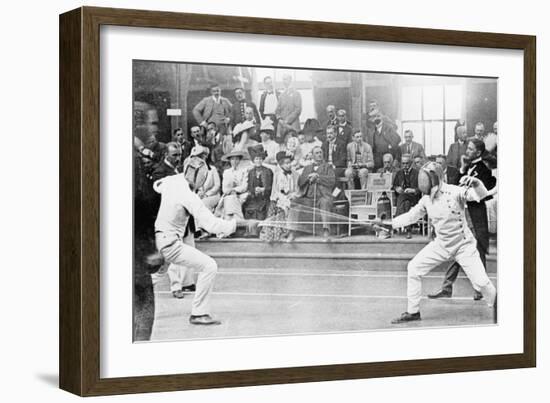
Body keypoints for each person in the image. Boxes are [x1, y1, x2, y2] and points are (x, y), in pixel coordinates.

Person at [378, 162, 497, 324]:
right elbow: (411, 216)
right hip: (441, 244)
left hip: (463, 245)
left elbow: (480, 196)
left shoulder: (455, 191)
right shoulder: (426, 199)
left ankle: (498, 305)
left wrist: (477, 184)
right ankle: (413, 312)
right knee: (413, 268)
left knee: (482, 282)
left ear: (434, 178)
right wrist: (389, 224)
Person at [154, 172, 258, 325]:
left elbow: (157, 185)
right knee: (209, 266)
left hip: (159, 239)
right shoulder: (189, 196)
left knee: (153, 276)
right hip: (170, 244)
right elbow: (212, 225)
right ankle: (199, 313)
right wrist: (241, 224)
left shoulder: (171, 181)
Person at [428, 139, 496, 300]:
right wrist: (463, 168)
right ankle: (447, 288)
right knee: (457, 250)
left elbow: (482, 193)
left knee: (477, 251)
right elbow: (457, 187)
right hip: (462, 214)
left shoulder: (484, 170)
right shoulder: (468, 167)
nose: (467, 151)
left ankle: (480, 290)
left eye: (471, 149)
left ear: (478, 152)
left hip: (474, 215)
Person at [287, 146, 336, 242]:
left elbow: (332, 181)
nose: (319, 154)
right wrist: (309, 178)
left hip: (322, 197)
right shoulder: (307, 167)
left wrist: (318, 177)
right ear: (312, 155)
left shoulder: (328, 167)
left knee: (325, 203)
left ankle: (326, 232)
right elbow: (300, 182)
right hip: (308, 198)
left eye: (320, 152)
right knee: (295, 202)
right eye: (317, 153)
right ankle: (292, 232)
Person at [260, 151, 300, 243]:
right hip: (280, 198)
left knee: (291, 206)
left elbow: (298, 189)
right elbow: (276, 190)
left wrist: (293, 194)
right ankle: (277, 234)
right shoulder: (278, 175)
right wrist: (281, 198)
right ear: (281, 164)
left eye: (290, 163)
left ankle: (290, 232)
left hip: (291, 197)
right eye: (286, 163)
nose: (289, 165)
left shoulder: (295, 174)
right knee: (278, 208)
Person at [243, 145, 274, 231]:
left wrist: (263, 190)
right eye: (256, 159)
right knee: (249, 207)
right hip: (254, 198)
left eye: (260, 159)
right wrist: (254, 190)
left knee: (261, 209)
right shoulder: (251, 172)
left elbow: (272, 187)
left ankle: (261, 231)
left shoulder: (268, 171)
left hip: (265, 198)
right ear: (253, 160)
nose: (258, 161)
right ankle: (251, 231)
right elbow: (249, 187)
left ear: (263, 159)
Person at [215, 149, 250, 221]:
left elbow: (244, 186)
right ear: (230, 160)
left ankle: (237, 221)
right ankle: (230, 222)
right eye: (232, 159)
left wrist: (234, 190)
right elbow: (224, 188)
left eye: (237, 159)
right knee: (230, 199)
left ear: (239, 160)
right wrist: (230, 191)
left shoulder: (244, 171)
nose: (234, 161)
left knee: (233, 199)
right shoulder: (226, 172)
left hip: (241, 194)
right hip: (229, 194)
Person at [393, 154, 420, 239]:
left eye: (407, 163)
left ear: (411, 163)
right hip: (405, 200)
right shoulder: (399, 173)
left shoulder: (417, 173)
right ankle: (408, 230)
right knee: (406, 204)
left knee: (402, 197)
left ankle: (395, 222)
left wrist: (414, 190)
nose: (405, 165)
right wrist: (397, 188)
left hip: (414, 198)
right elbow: (394, 185)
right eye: (403, 163)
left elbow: (422, 188)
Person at [275, 74, 302, 142]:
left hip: (293, 124)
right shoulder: (281, 95)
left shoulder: (296, 94)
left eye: (286, 79)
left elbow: (298, 109)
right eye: (283, 79)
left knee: (294, 143)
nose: (284, 81)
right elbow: (277, 110)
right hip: (282, 125)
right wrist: (280, 119)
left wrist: (287, 120)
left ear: (290, 80)